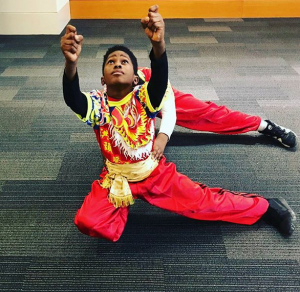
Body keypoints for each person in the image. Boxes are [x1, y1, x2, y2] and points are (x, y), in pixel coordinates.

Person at [61, 5, 296, 242]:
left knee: (207, 117)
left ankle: (265, 193)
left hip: (152, 168)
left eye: (123, 61)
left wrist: (163, 135)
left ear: (135, 77)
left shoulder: (148, 88)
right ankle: (122, 203)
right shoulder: (98, 103)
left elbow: (164, 90)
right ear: (103, 78)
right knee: (87, 221)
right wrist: (71, 65)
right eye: (111, 62)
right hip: (117, 176)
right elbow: (73, 98)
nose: (118, 64)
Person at [137, 67, 298, 160]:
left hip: (147, 85)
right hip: (125, 107)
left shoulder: (143, 77)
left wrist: (163, 135)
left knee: (207, 113)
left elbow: (170, 112)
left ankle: (264, 125)